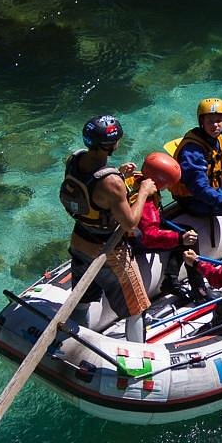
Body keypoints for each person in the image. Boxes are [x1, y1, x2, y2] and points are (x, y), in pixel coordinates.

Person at [58, 114, 156, 342]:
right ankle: (138, 359)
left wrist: (119, 175)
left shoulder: (73, 160)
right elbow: (130, 223)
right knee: (136, 308)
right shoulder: (112, 183)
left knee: (82, 299)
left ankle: (72, 343)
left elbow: (93, 190)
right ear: (111, 144)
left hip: (80, 241)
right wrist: (144, 191)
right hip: (108, 251)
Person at [132, 151, 210, 304]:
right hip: (137, 240)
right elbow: (149, 235)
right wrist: (180, 238)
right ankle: (199, 290)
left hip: (138, 230)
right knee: (188, 239)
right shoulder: (146, 203)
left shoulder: (135, 179)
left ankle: (170, 280)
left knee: (185, 230)